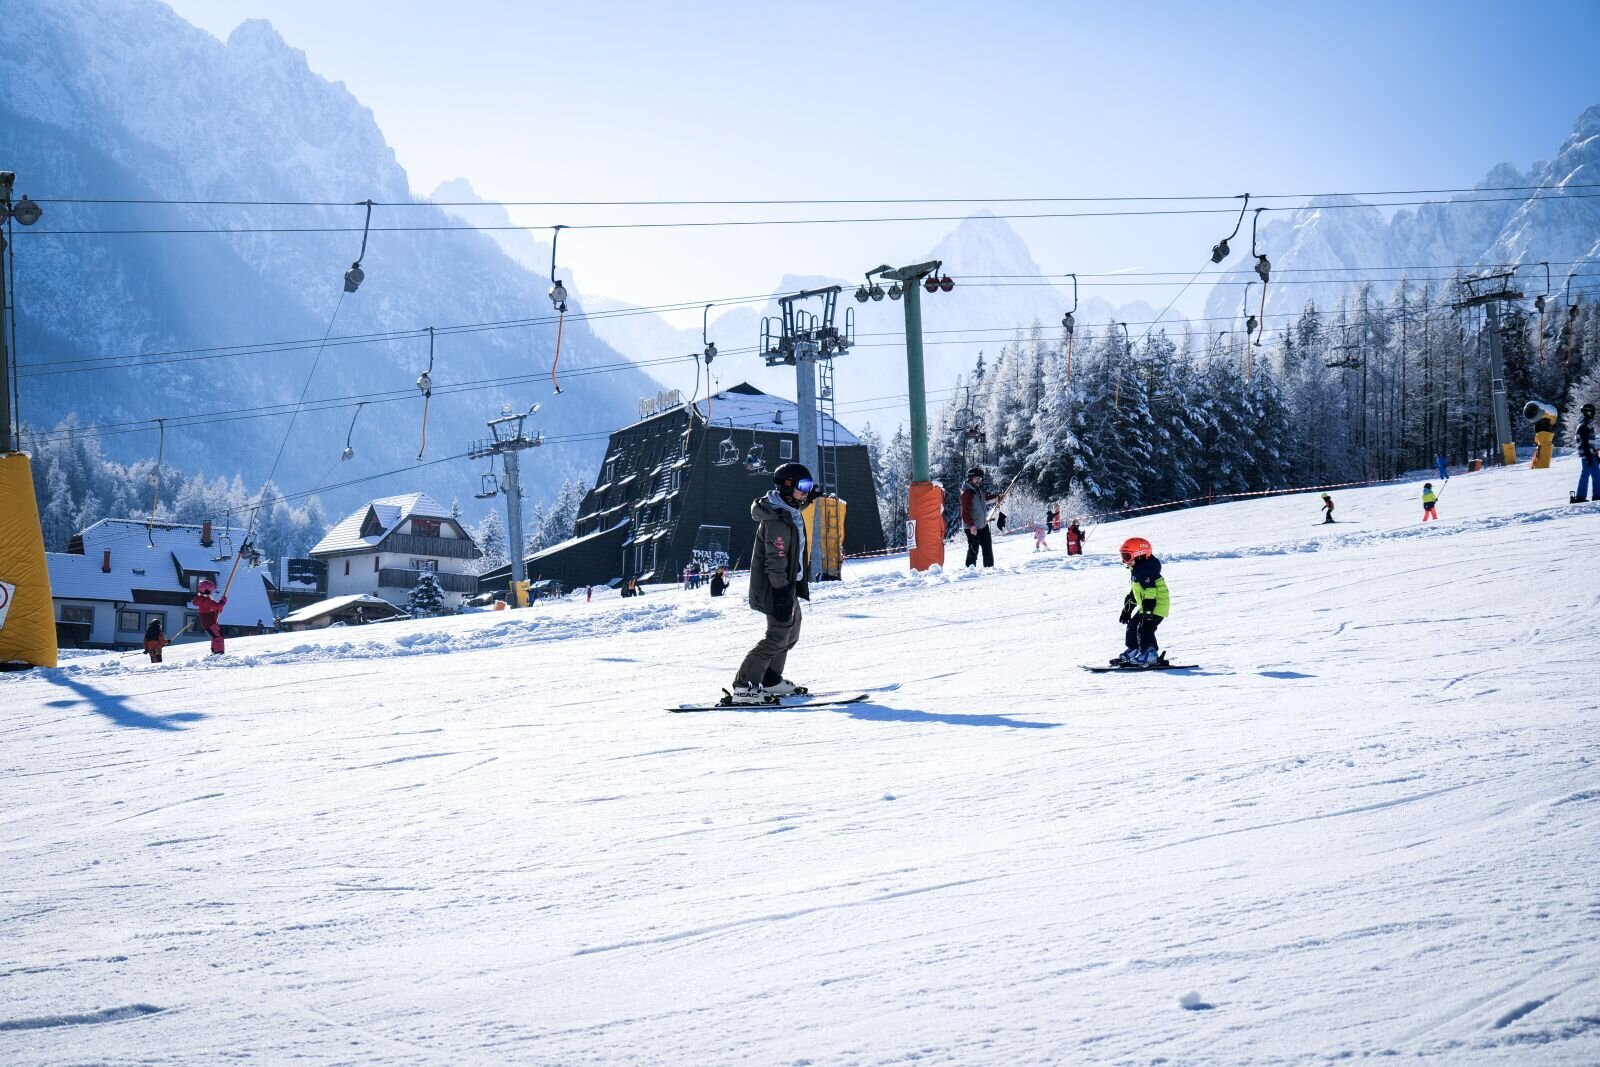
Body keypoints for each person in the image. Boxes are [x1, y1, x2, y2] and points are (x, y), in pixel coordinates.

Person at [729, 462, 813, 704]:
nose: (806, 491)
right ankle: (744, 685)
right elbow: (775, 559)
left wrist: (810, 498)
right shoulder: (775, 520)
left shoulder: (786, 508)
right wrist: (781, 592)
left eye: (809, 486)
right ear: (787, 487)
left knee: (790, 634)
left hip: (787, 585)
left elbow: (794, 508)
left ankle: (770, 679)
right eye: (803, 486)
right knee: (777, 636)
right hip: (775, 588)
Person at [1115, 536, 1169, 667]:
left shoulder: (1147, 571)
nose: (1124, 561)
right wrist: (1127, 609)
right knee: (1133, 625)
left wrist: (1148, 614)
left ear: (1139, 555)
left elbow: (1150, 593)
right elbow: (1135, 592)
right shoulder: (1138, 570)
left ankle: (1150, 654)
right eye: (1123, 557)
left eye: (1127, 557)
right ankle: (1135, 650)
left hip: (1156, 606)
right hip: (1146, 606)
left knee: (1144, 628)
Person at [958, 467, 1000, 568]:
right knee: (974, 550)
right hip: (972, 527)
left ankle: (990, 569)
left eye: (980, 479)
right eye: (977, 478)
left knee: (987, 549)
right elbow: (964, 513)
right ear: (970, 478)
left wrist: (998, 497)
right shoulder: (967, 494)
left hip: (983, 525)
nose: (979, 481)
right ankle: (970, 571)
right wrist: (971, 525)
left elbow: (986, 498)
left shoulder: (978, 491)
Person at [192, 578, 227, 655]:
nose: (212, 593)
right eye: (211, 591)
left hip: (209, 622)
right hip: (210, 623)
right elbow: (217, 606)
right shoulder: (206, 600)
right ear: (207, 590)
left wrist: (219, 607)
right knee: (219, 637)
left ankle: (214, 651)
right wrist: (223, 602)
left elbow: (216, 609)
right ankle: (218, 653)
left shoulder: (202, 599)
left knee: (216, 636)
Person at [1573, 403, 1598, 503]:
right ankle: (1580, 497)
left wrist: (1596, 453)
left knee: (1597, 475)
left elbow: (1590, 442)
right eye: (1592, 412)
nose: (1593, 414)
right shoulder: (1584, 425)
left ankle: (1597, 496)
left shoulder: (1587, 424)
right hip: (1587, 455)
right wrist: (1588, 457)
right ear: (1588, 412)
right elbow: (1584, 443)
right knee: (1585, 475)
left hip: (1591, 454)